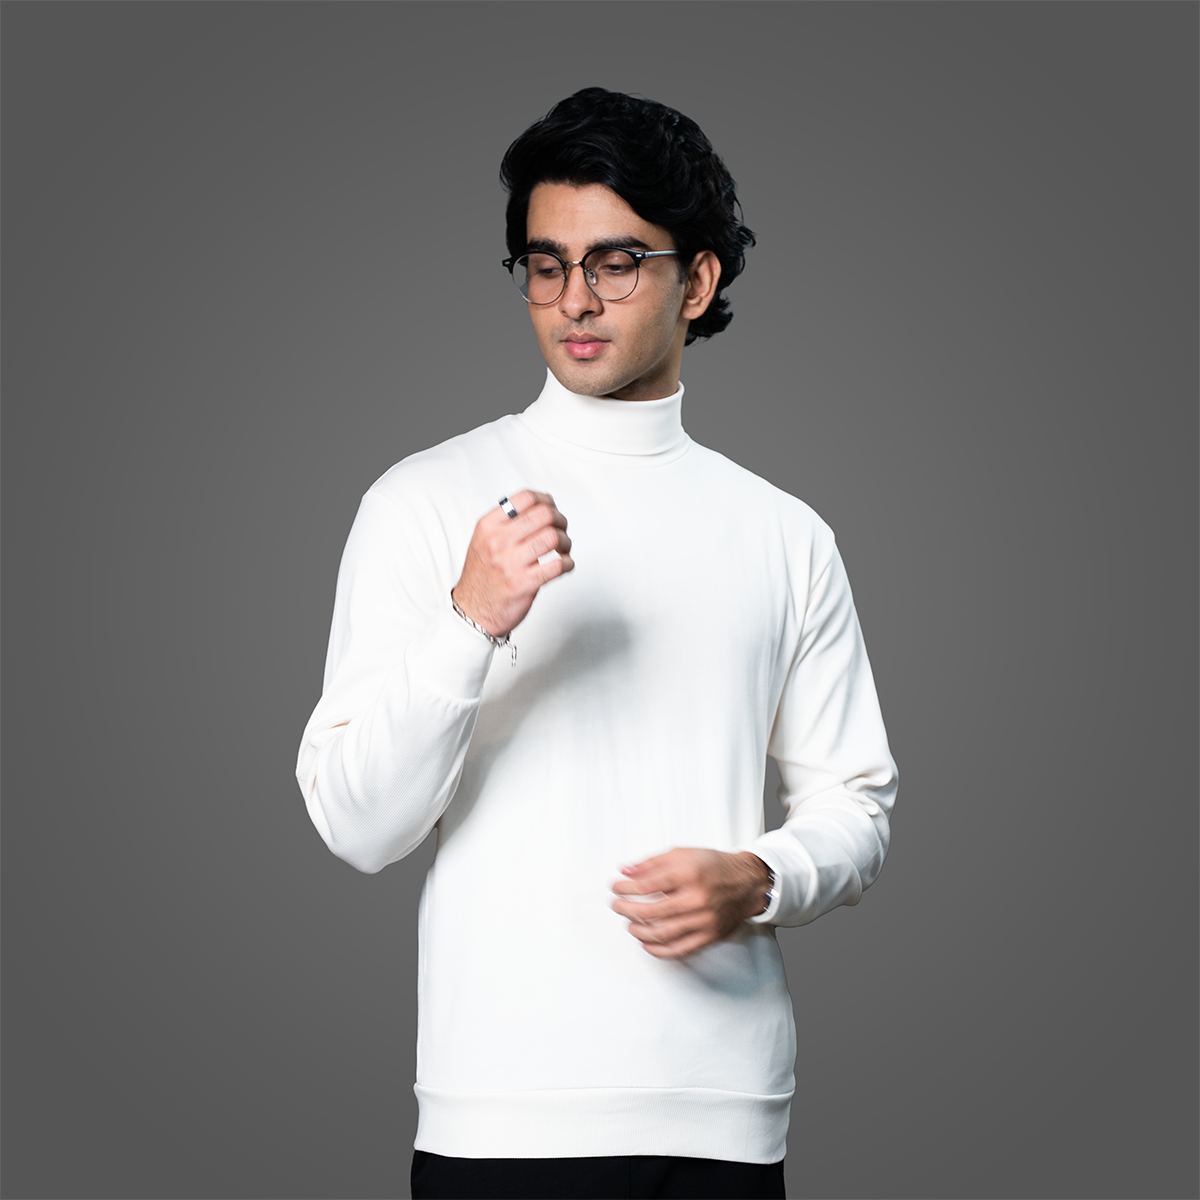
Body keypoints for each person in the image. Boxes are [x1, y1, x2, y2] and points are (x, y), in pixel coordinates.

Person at [297, 87, 898, 1199]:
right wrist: (470, 619)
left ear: (697, 281)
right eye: (546, 264)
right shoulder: (424, 500)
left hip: (723, 1119)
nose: (574, 298)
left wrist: (758, 877)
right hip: (499, 1119)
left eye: (616, 263)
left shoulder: (785, 534)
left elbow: (858, 804)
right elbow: (355, 823)